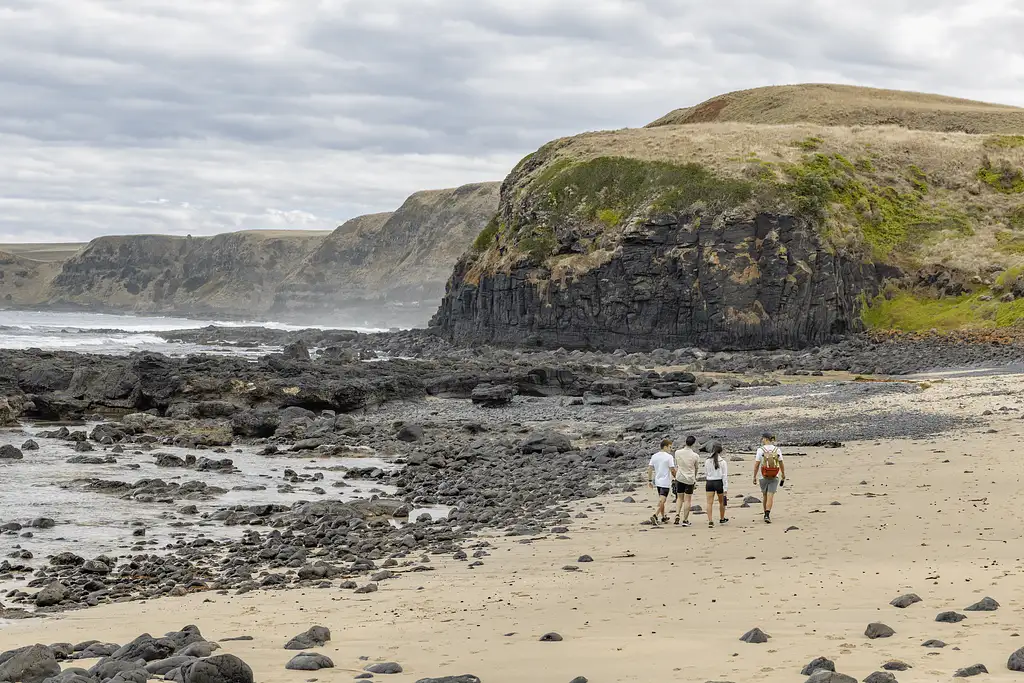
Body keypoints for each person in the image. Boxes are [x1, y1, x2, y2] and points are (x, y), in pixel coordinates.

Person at [753, 432, 785, 524]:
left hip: (763, 476)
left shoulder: (760, 450)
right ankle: (767, 514)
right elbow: (781, 463)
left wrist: (754, 476)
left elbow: (757, 465)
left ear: (766, 439)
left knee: (765, 495)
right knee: (770, 495)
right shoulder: (777, 450)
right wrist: (783, 474)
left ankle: (765, 513)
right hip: (775, 475)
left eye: (763, 439)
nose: (762, 440)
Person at [646, 438, 677, 526]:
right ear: (665, 447)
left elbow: (650, 468)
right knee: (662, 499)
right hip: (665, 481)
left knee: (662, 499)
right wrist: (676, 477)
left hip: (658, 481)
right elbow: (672, 469)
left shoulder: (654, 456)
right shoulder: (669, 457)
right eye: (670, 447)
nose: (671, 449)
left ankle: (663, 516)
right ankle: (655, 515)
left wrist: (649, 480)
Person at [672, 435, 700, 527]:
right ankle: (685, 519)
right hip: (689, 479)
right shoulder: (695, 456)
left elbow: (676, 464)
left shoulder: (677, 452)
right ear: (693, 444)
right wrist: (694, 478)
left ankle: (677, 514)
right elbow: (696, 468)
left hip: (679, 477)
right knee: (687, 500)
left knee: (679, 498)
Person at [704, 443, 729, 528]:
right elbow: (724, 476)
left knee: (709, 503)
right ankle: (722, 518)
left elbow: (706, 473)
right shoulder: (723, 462)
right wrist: (725, 488)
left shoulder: (707, 461)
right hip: (719, 482)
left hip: (709, 482)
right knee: (721, 502)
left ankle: (710, 520)